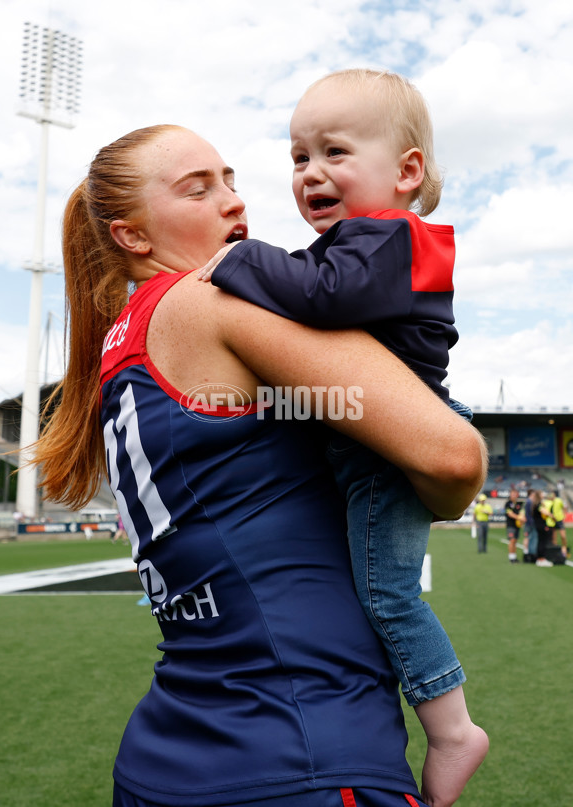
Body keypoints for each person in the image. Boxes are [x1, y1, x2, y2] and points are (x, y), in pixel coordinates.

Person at [30, 124, 487, 807]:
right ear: (132, 236)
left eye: (232, 179)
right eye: (199, 188)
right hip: (298, 743)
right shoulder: (208, 300)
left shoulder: (120, 351)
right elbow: (452, 455)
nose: (233, 202)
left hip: (175, 746)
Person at [198, 69, 488, 806]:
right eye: (299, 158)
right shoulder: (352, 244)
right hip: (355, 454)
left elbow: (321, 300)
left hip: (384, 459)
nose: (311, 173)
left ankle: (453, 728)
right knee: (361, 591)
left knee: (390, 596)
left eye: (334, 151)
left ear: (407, 171)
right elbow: (300, 293)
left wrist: (235, 258)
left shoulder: (387, 239)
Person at [529, 490, 555, 567]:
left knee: (541, 541)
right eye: (542, 494)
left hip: (538, 525)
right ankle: (541, 559)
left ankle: (540, 559)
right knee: (542, 542)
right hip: (541, 525)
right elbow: (545, 512)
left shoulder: (536, 504)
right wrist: (552, 516)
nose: (543, 495)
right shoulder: (538, 504)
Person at [505, 488, 525, 563]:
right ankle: (511, 557)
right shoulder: (508, 504)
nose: (514, 495)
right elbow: (510, 514)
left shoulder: (519, 504)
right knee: (512, 540)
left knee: (515, 540)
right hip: (511, 525)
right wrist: (520, 518)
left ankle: (514, 556)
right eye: (512, 494)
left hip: (517, 525)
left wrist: (521, 518)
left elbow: (522, 512)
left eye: (515, 494)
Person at [548, 490, 568, 557]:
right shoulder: (550, 501)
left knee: (563, 536)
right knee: (554, 537)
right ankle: (555, 550)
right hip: (552, 520)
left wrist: (564, 515)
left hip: (559, 520)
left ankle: (564, 549)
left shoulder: (558, 500)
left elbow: (564, 507)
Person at [523, 489, 538, 562]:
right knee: (528, 538)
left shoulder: (528, 501)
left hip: (529, 523)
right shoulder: (529, 502)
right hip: (529, 523)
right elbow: (529, 514)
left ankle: (528, 553)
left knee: (529, 538)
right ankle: (527, 554)